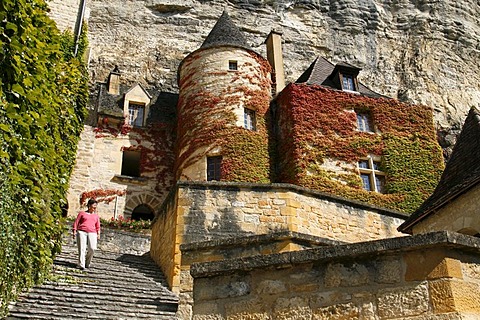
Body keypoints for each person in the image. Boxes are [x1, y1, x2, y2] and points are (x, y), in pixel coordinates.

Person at [72, 199, 101, 270]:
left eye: (95, 206)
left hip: (92, 232)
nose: (94, 208)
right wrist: (74, 231)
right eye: (93, 206)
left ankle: (87, 263)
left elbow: (98, 226)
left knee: (92, 248)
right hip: (82, 232)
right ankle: (81, 264)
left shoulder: (96, 216)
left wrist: (98, 233)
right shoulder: (82, 213)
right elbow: (76, 222)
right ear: (89, 206)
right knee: (82, 248)